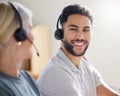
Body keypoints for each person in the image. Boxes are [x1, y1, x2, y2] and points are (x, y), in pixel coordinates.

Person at [37, 4, 120, 96]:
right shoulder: (56, 73)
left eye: (85, 30)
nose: (80, 36)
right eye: (73, 29)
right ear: (61, 34)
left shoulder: (85, 65)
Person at [0, 1, 40, 96]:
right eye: (29, 29)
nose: (33, 38)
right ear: (19, 35)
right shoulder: (2, 88)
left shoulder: (26, 78)